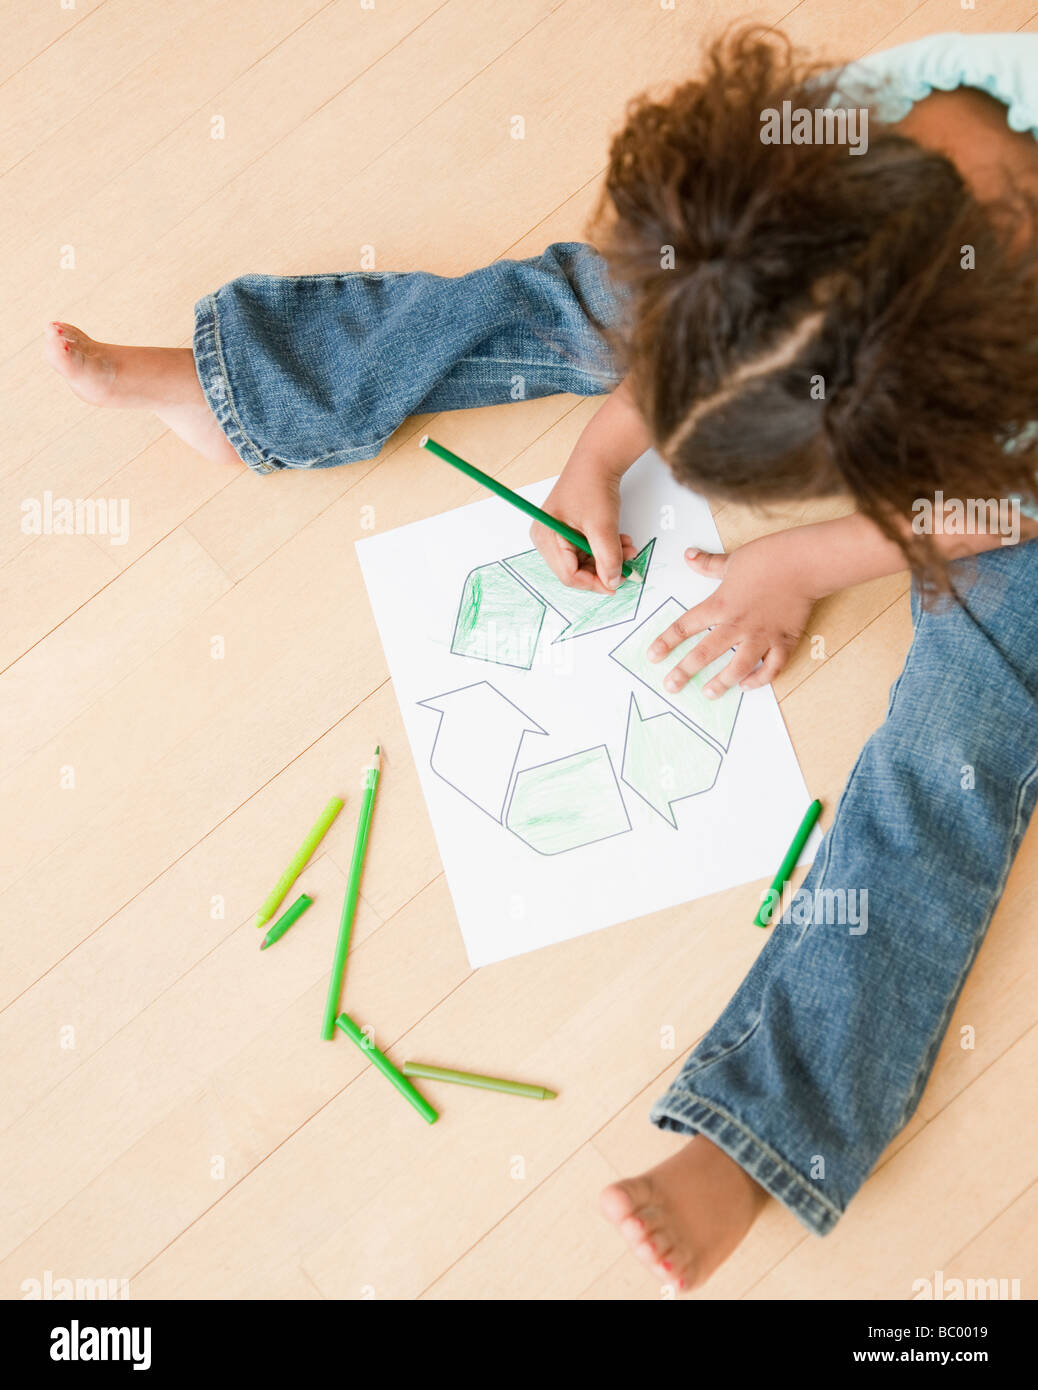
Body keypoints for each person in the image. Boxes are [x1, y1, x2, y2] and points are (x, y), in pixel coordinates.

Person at [45, 27, 1038, 1292]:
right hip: (904, 363)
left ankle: (759, 1139)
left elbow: (1002, 504)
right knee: (605, 295)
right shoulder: (856, 138)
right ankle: (251, 387)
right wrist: (602, 447)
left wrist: (807, 561)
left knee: (965, 736)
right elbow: (697, 327)